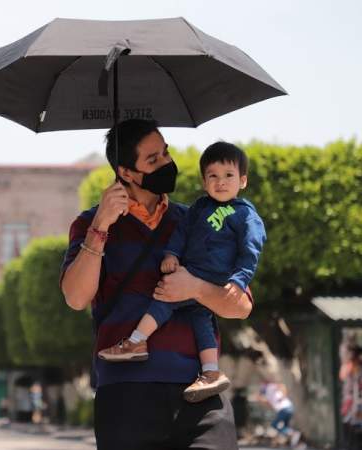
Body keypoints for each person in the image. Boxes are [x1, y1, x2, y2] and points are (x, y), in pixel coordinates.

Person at [61, 119, 254, 450]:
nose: (167, 163)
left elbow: (241, 306)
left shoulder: (198, 220)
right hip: (125, 394)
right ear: (126, 173)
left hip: (201, 388)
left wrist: (194, 288)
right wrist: (101, 225)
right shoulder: (89, 224)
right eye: (153, 160)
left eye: (165, 153)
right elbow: (76, 298)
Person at [98, 142, 265, 403]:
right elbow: (182, 233)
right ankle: (210, 372)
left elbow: (251, 249)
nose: (221, 182)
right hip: (191, 269)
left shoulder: (246, 215)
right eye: (213, 176)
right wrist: (172, 254)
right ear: (204, 180)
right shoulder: (198, 208)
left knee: (164, 298)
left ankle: (136, 340)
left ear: (242, 181)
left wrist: (240, 278)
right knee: (201, 322)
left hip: (214, 278)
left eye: (229, 176)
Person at [254, 382, 301, 447]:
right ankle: (294, 443)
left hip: (284, 409)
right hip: (288, 408)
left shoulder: (270, 387)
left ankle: (293, 433)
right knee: (285, 426)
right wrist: (260, 399)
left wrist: (284, 396)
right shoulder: (267, 395)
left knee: (274, 425)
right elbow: (267, 403)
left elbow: (282, 385)